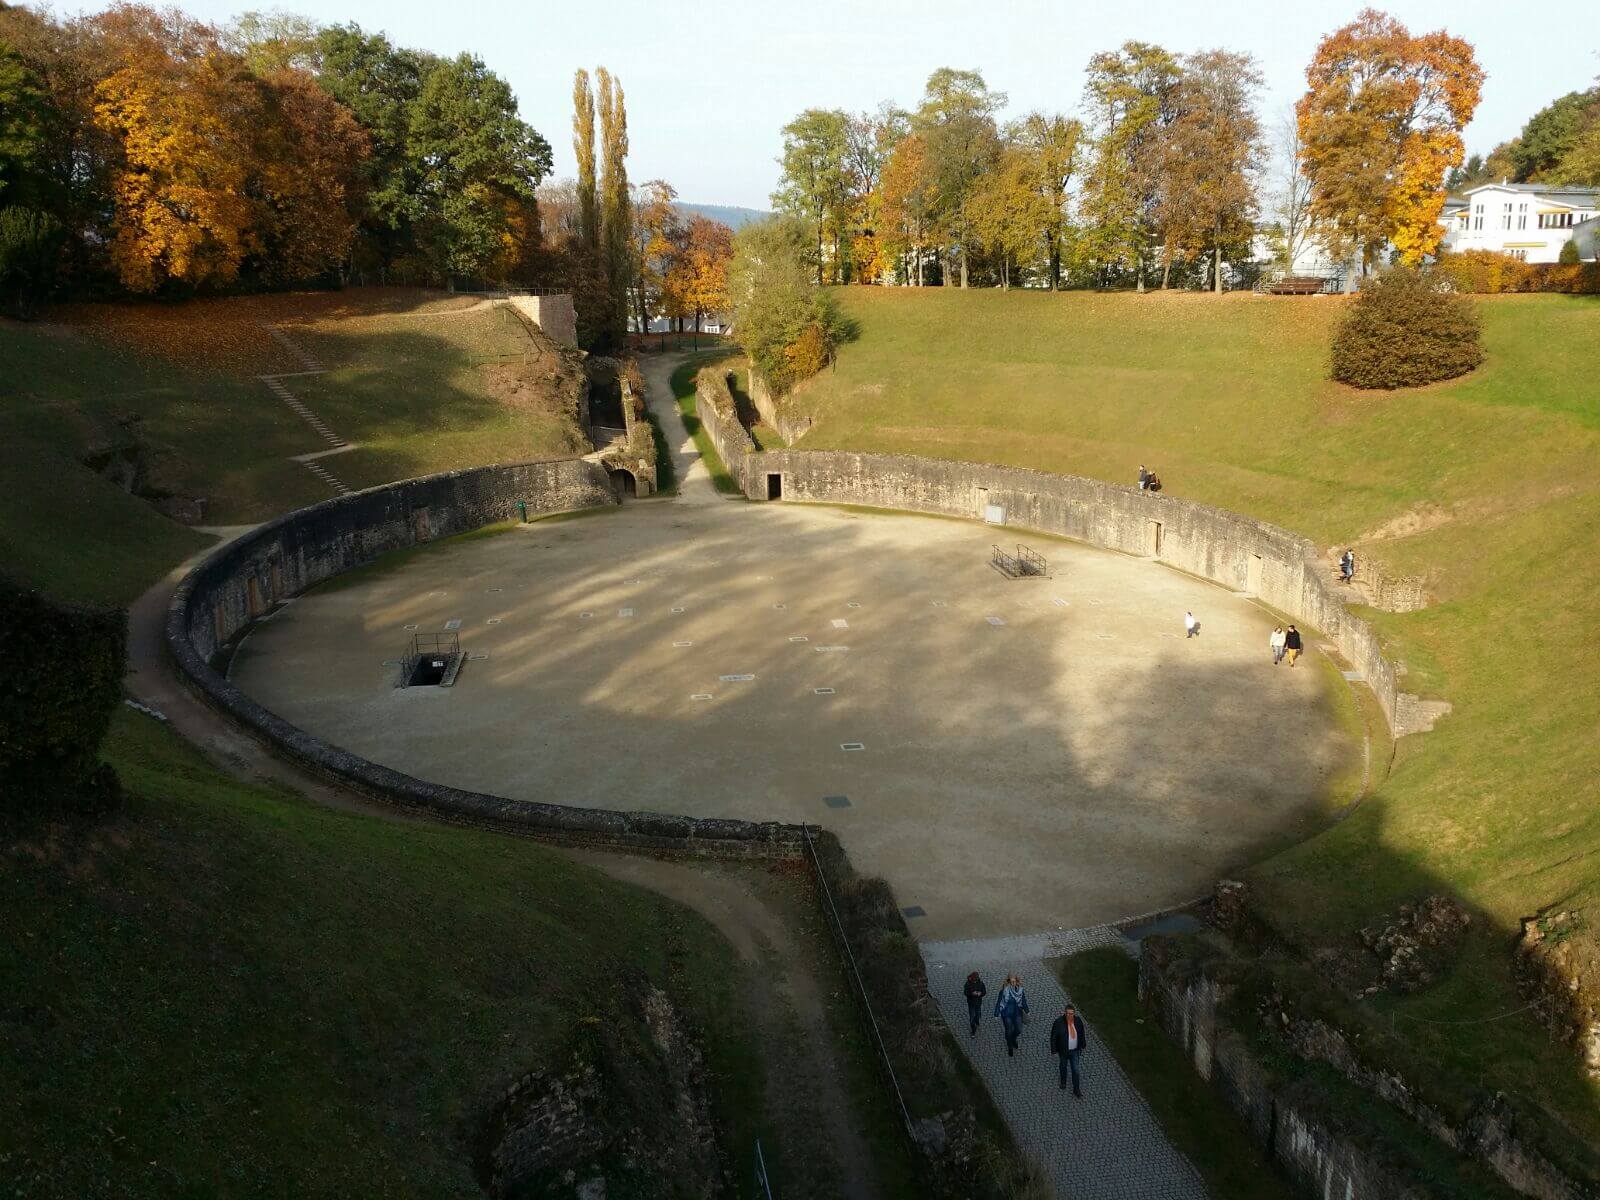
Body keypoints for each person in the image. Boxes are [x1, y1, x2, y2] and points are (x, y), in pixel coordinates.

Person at [1049, 1004, 1088, 1096]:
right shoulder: (1058, 1022)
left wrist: (1083, 1044)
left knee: (1075, 1070)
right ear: (1065, 1013)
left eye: (1072, 1014)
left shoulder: (1078, 1021)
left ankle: (1076, 1089)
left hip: (1075, 1051)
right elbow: (1053, 1037)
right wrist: (1054, 1050)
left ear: (1074, 1013)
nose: (1070, 1016)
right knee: (1063, 1066)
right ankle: (1063, 1081)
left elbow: (1081, 1033)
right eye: (1068, 1014)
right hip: (1063, 1051)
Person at [994, 974, 1029, 1056]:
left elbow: (1023, 1000)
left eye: (1014, 981)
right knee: (1009, 1030)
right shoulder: (1004, 991)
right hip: (1006, 1013)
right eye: (1011, 981)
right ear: (1009, 982)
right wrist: (996, 1013)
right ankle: (1010, 1045)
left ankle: (1013, 1039)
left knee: (1019, 1029)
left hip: (1017, 1013)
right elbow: (999, 1002)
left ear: (1016, 981)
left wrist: (1027, 1010)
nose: (1013, 983)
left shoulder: (1020, 990)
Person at [964, 972, 988, 1037]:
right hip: (971, 1002)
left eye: (976, 979)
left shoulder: (980, 983)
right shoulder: (968, 984)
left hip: (978, 1002)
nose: (976, 980)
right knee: (971, 1017)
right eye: (975, 979)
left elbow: (984, 992)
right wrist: (972, 994)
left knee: (978, 1014)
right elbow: (965, 992)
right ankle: (973, 1030)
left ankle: (977, 1020)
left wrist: (980, 994)